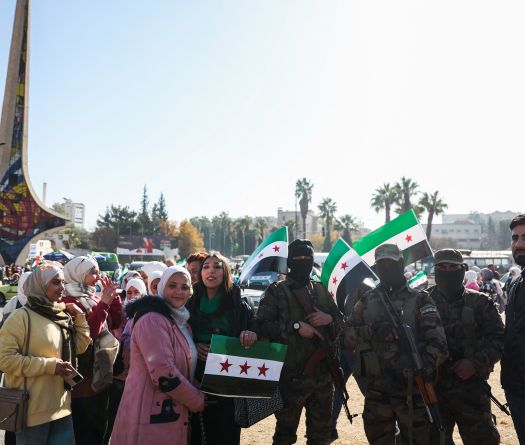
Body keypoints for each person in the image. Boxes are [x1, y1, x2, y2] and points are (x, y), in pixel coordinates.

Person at [344, 244, 448, 445]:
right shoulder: (366, 300)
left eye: (390, 263)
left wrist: (421, 369)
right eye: (381, 264)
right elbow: (346, 336)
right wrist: (372, 330)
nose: (385, 268)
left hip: (412, 392)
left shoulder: (420, 299)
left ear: (400, 264)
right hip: (377, 392)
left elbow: (438, 344)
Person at [256, 239, 343, 445]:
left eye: (307, 258)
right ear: (289, 262)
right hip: (290, 378)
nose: (303, 262)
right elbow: (261, 327)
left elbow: (342, 324)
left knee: (320, 436)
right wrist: (295, 327)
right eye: (297, 258)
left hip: (322, 378)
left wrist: (329, 319)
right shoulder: (276, 291)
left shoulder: (322, 290)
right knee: (285, 435)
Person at [110, 266, 205, 444]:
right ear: (162, 287)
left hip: (169, 411)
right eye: (172, 285)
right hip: (148, 412)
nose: (179, 291)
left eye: (184, 287)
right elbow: (163, 371)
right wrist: (197, 399)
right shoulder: (152, 319)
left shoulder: (180, 321)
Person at [0, 261, 91, 445]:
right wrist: (51, 366)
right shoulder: (20, 317)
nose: (62, 288)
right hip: (31, 413)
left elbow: (80, 348)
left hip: (62, 409)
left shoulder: (61, 315)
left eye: (63, 282)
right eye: (56, 282)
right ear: (40, 285)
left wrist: (80, 318)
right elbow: (5, 360)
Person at [427, 249, 503, 445]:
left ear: (463, 270)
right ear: (434, 270)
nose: (448, 271)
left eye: (453, 267)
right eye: (442, 267)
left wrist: (475, 363)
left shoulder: (480, 302)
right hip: (432, 391)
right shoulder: (421, 302)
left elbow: (499, 339)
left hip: (472, 391)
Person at [187, 251, 257, 445]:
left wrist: (250, 334)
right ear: (200, 273)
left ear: (225, 272)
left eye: (217, 266)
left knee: (225, 431)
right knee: (194, 432)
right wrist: (194, 345)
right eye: (206, 267)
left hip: (227, 378)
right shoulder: (188, 302)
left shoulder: (240, 303)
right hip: (194, 375)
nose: (211, 271)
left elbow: (253, 329)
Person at [61, 256, 123, 445]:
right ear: (78, 274)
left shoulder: (93, 297)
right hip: (83, 379)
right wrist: (103, 303)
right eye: (92, 272)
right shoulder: (67, 301)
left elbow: (116, 322)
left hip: (101, 374)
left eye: (98, 271)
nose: (97, 276)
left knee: (100, 430)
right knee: (84, 432)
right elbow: (87, 336)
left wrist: (113, 298)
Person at [501, 214, 525, 443]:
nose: (519, 244)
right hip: (517, 387)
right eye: (515, 238)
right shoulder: (516, 283)